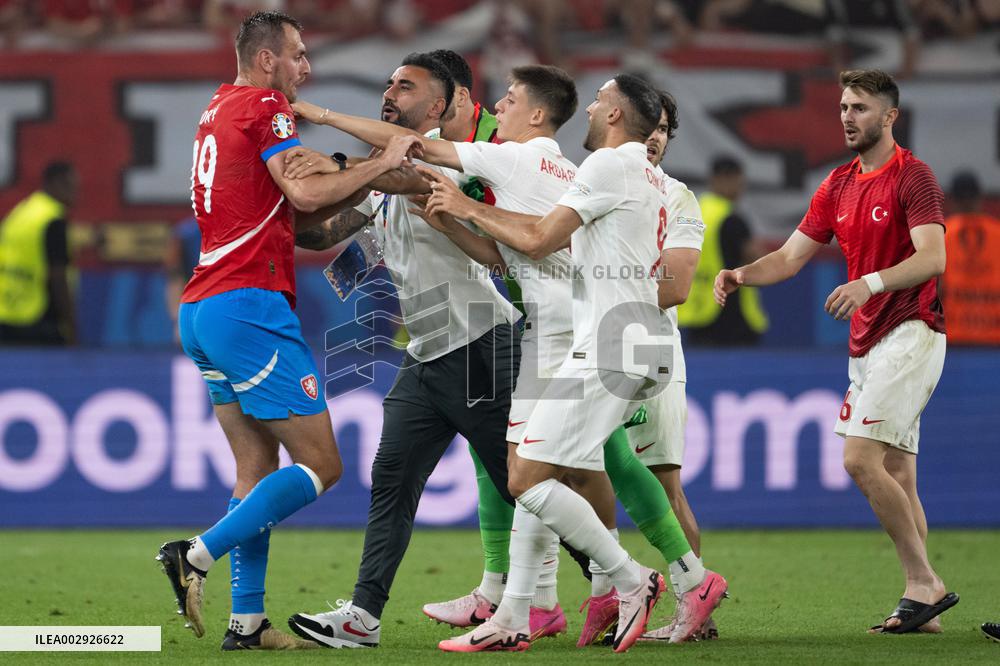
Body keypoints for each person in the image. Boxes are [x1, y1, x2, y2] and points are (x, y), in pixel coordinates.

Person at [421, 73, 727, 653]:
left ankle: (631, 580)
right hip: (614, 333)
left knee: (531, 475)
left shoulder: (609, 168)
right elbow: (533, 246)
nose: (589, 108)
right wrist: (463, 218)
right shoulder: (647, 178)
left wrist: (463, 205)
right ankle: (523, 609)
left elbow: (538, 240)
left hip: (612, 337)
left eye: (600, 102)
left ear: (615, 116)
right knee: (552, 465)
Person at [153, 10, 420, 650]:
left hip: (206, 308)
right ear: (268, 59)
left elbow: (302, 220)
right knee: (322, 465)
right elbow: (303, 198)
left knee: (255, 468)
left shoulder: (219, 106)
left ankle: (246, 623)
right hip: (250, 307)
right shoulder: (267, 103)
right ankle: (194, 553)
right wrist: (382, 163)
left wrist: (365, 190)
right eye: (298, 54)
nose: (306, 67)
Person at [284, 52, 520, 649]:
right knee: (392, 479)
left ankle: (620, 580)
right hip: (427, 354)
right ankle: (363, 617)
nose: (391, 91)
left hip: (482, 347)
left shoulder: (451, 157)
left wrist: (338, 161)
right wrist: (278, 195)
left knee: (528, 485)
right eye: (389, 82)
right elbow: (322, 233)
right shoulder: (379, 172)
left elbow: (407, 174)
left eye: (406, 86)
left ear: (438, 108)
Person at [715, 68, 958, 634]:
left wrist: (868, 283)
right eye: (844, 107)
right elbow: (791, 257)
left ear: (890, 117)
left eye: (860, 108)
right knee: (898, 470)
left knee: (857, 458)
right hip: (867, 345)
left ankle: (924, 583)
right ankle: (921, 607)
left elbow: (933, 258)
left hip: (912, 330)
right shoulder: (838, 184)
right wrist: (741, 274)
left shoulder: (912, 176)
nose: (848, 117)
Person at [677, 155, 768, 346]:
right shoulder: (731, 218)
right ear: (727, 178)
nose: (740, 189)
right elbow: (754, 258)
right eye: (739, 183)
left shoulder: (693, 213)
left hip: (699, 310)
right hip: (731, 312)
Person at [0, 161, 78, 346]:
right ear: (53, 183)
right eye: (70, 186)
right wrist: (70, 327)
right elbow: (58, 277)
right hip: (37, 316)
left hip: (5, 312)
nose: (75, 194)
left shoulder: (21, 213)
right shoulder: (52, 221)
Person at [939, 171, 1000, 345]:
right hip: (995, 340)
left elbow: (931, 292)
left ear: (952, 201)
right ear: (980, 198)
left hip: (954, 340)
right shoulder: (998, 233)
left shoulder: (941, 236)